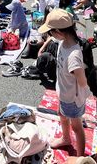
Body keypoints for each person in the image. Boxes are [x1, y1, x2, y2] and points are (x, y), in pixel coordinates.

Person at [38, 9, 89, 156]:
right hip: (63, 91)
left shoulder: (73, 55)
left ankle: (80, 156)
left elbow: (82, 81)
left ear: (59, 32)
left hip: (72, 98)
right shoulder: (63, 41)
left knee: (77, 127)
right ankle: (66, 138)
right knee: (61, 113)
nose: (49, 35)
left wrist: (82, 97)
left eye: (50, 32)